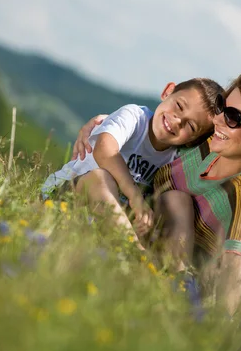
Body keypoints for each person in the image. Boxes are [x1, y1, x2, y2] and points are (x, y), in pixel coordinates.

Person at [73, 71, 241, 314]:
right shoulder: (213, 146)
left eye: (235, 117)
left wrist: (218, 327)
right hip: (141, 232)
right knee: (170, 197)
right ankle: (145, 265)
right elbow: (163, 130)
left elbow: (238, 263)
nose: (220, 120)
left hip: (182, 281)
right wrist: (107, 124)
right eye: (223, 107)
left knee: (175, 199)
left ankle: (172, 283)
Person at [42, 78, 222, 244]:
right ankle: (134, 250)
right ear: (168, 91)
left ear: (193, 140)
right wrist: (135, 196)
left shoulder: (175, 158)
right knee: (101, 177)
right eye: (179, 106)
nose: (177, 121)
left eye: (190, 126)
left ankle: (177, 272)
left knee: (176, 199)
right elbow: (104, 149)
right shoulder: (134, 117)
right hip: (63, 196)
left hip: (104, 218)